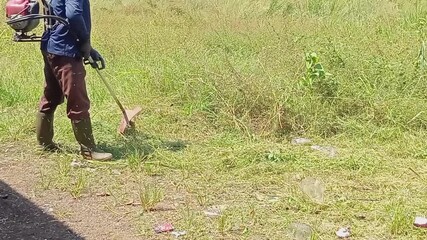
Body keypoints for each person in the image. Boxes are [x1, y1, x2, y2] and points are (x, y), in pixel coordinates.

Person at [36, 0, 112, 161]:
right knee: (77, 98)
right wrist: (85, 41)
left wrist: (89, 49)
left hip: (51, 45)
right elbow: (73, 14)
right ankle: (88, 150)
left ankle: (44, 142)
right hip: (65, 50)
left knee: (51, 94)